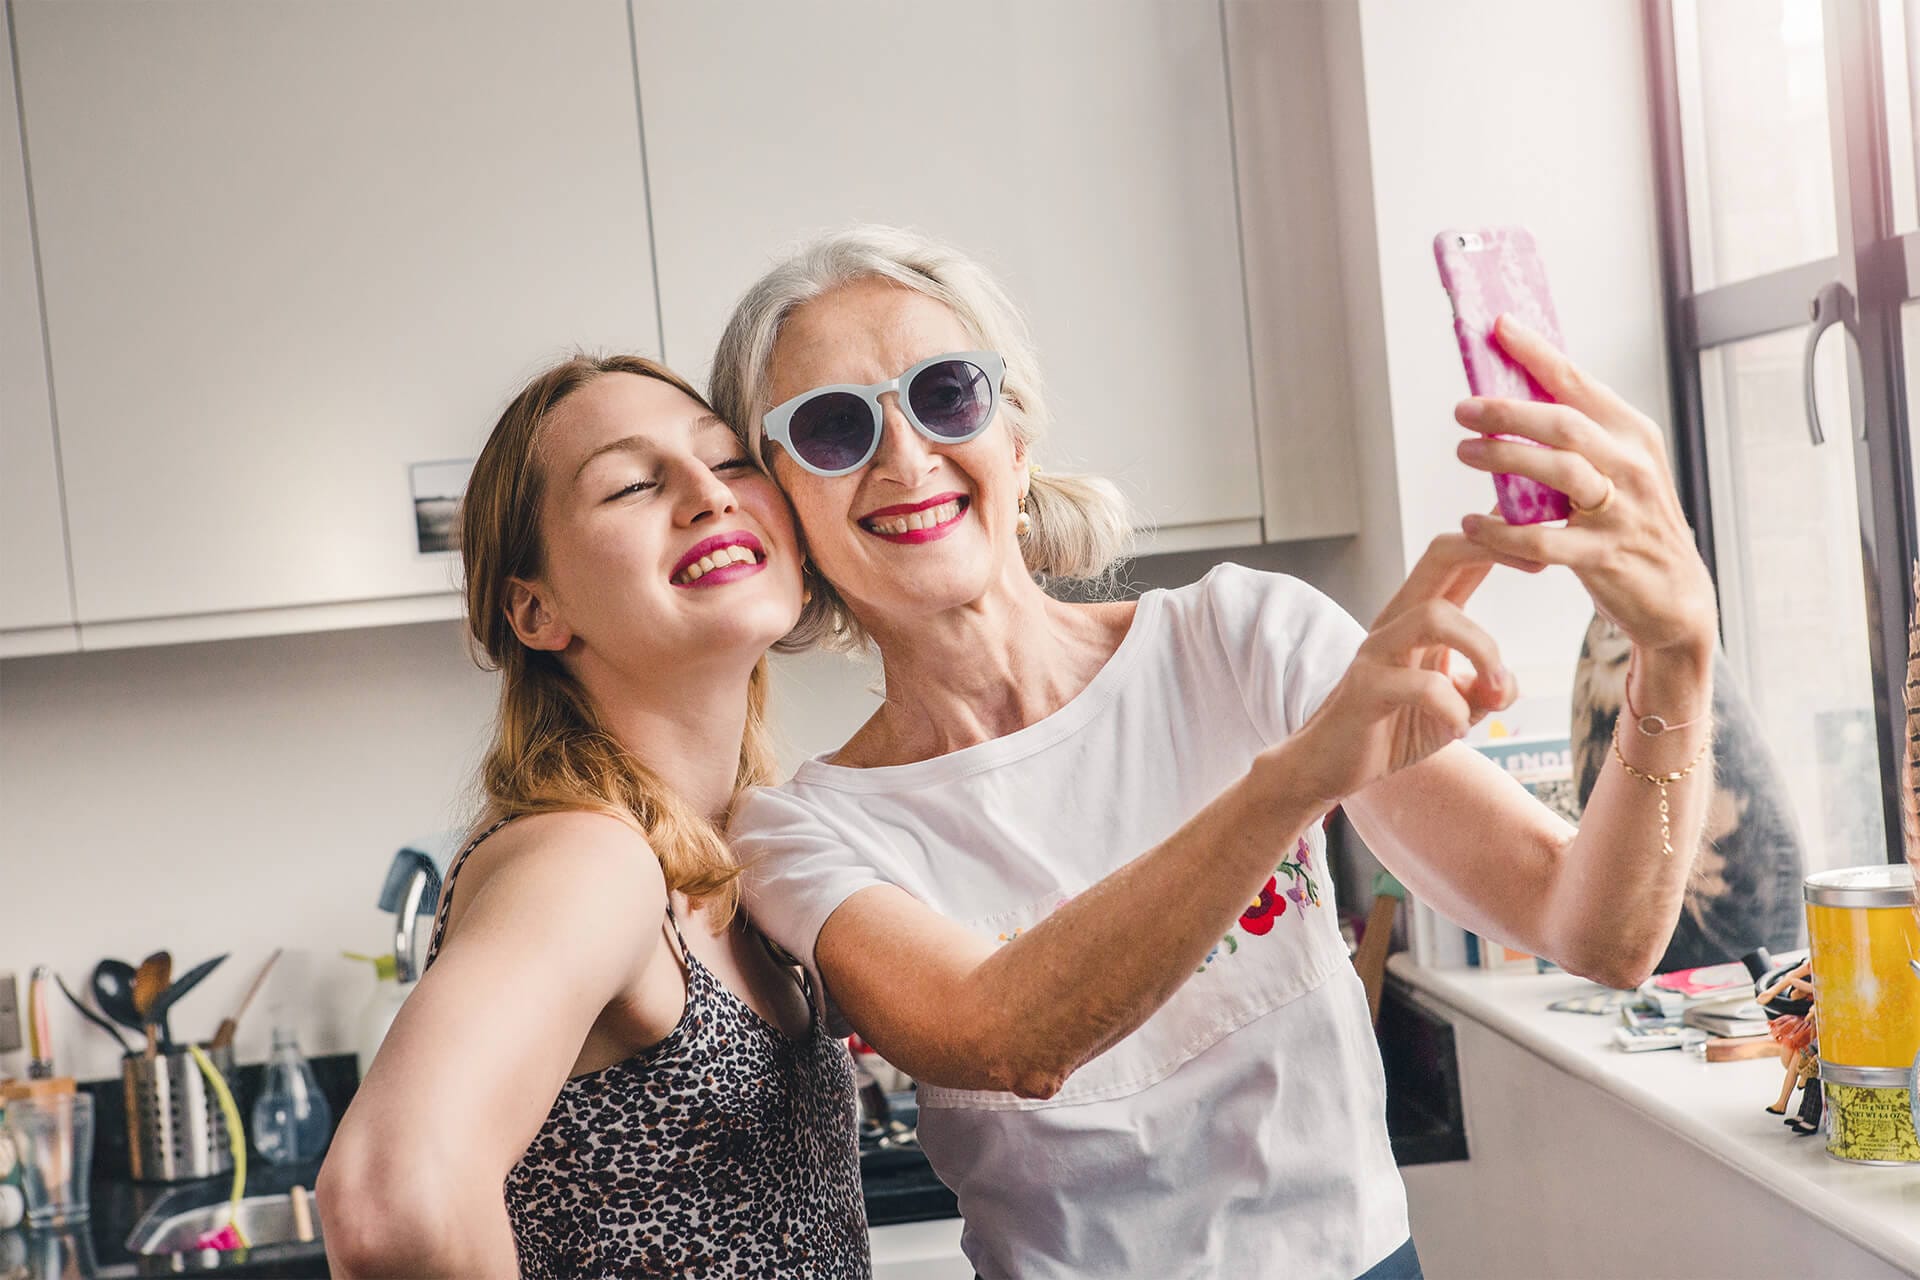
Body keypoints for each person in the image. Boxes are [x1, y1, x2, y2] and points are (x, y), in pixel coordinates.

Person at [710, 226, 1719, 1280]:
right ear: (778, 497)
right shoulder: (799, 830)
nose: (906, 454)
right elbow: (1006, 1035)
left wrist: (1677, 655)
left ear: (1013, 436)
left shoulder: (1243, 637)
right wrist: (1300, 776)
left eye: (946, 392)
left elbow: (1598, 928)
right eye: (833, 427)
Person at [317, 354, 869, 1279]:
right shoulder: (590, 859)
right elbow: (387, 1197)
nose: (706, 495)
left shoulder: (735, 846)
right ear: (536, 610)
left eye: (731, 463)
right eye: (632, 485)